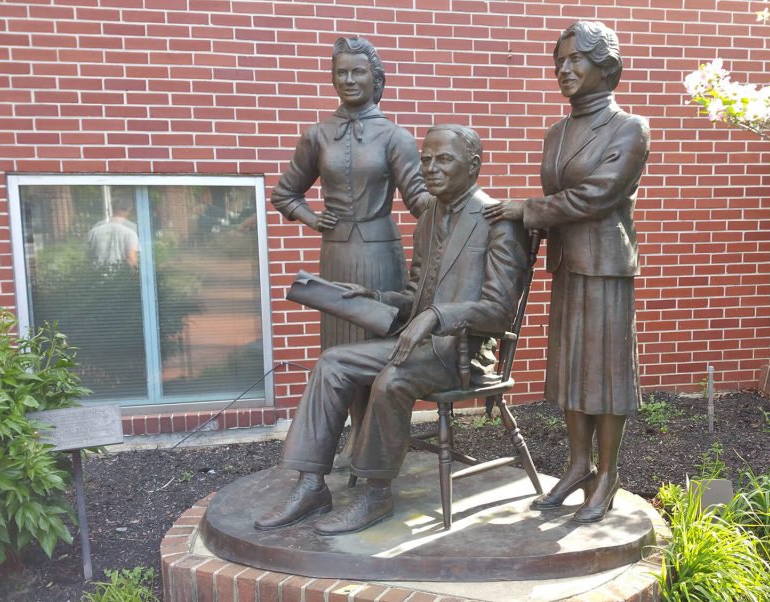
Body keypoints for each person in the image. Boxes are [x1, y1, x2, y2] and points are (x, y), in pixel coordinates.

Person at [255, 125, 528, 535]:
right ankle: (310, 485)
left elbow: (499, 311)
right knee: (332, 362)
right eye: (426, 160)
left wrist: (437, 316)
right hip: (418, 345)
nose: (431, 169)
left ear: (474, 166)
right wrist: (373, 295)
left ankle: (375, 492)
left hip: (462, 354)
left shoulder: (498, 220)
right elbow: (414, 297)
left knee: (391, 379)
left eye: (444, 160)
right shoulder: (429, 218)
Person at [485, 21, 650, 523]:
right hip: (567, 264)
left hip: (604, 268)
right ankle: (577, 465)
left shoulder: (629, 128)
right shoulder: (556, 132)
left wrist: (527, 210)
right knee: (571, 370)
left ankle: (607, 474)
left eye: (576, 58)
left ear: (606, 66)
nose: (564, 68)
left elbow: (598, 194)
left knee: (605, 373)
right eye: (560, 60)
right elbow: (565, 198)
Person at [269, 37, 434, 467]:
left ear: (376, 80)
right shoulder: (318, 135)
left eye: (358, 72)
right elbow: (285, 193)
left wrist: (464, 207)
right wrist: (311, 217)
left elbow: (420, 200)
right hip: (336, 256)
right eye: (341, 71)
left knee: (378, 344)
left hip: (382, 258)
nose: (349, 79)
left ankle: (373, 437)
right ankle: (350, 435)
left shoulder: (395, 136)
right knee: (339, 346)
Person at [87, 196, 139, 268]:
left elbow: (88, 257)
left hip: (98, 274)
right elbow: (131, 258)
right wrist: (136, 274)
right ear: (128, 210)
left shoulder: (94, 230)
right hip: (120, 275)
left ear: (110, 209)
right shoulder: (132, 230)